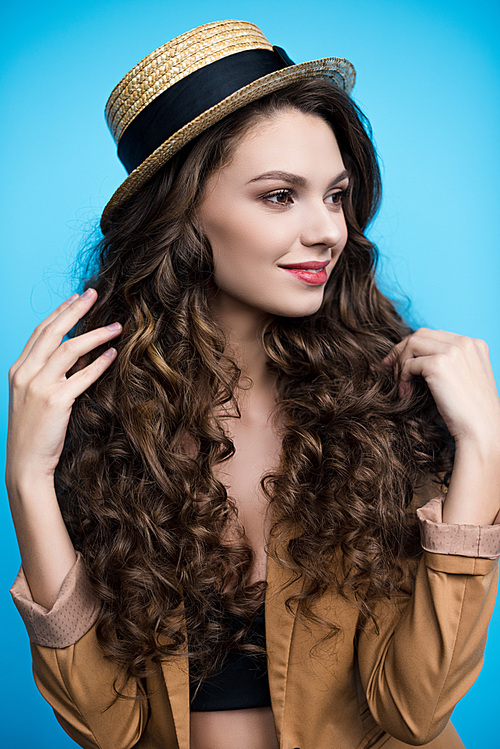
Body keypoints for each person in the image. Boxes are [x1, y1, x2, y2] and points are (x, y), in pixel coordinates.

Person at [6, 19, 500, 749]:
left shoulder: (386, 401)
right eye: (279, 197)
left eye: (335, 196)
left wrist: (484, 446)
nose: (328, 229)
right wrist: (28, 478)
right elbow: (107, 728)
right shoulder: (103, 418)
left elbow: (416, 709)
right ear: (182, 216)